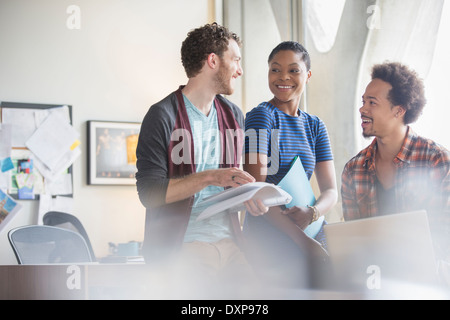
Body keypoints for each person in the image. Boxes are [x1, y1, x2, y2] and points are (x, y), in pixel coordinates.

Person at [135, 23, 267, 292]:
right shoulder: (162, 116)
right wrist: (210, 177)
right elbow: (149, 193)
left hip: (231, 245)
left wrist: (247, 197)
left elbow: (225, 185)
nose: (240, 71)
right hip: (185, 248)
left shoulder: (234, 116)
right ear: (213, 61)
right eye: (236, 60)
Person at [341, 61, 450, 284]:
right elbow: (353, 243)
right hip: (374, 284)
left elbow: (444, 237)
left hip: (427, 285)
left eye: (372, 102)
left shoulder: (437, 160)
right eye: (363, 102)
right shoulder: (353, 170)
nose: (362, 109)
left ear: (399, 110)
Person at [243, 41, 338, 289]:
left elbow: (330, 190)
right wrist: (304, 242)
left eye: (294, 70)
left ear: (307, 75)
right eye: (275, 69)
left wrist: (313, 214)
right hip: (271, 237)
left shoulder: (315, 125)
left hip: (310, 228)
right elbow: (257, 190)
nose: (283, 77)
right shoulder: (261, 116)